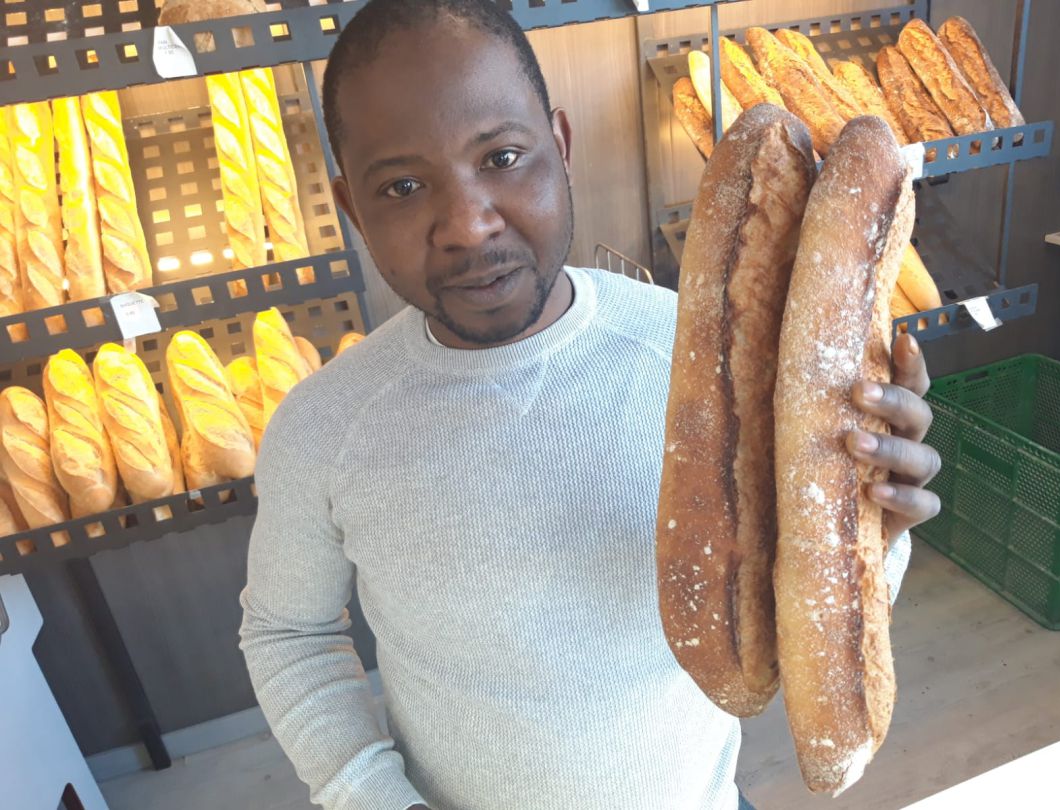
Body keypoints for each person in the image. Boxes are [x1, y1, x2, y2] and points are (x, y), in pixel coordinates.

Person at [239, 2, 942, 809]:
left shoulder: (689, 361)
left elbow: (797, 624)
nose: (468, 224)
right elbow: (288, 635)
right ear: (353, 209)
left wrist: (869, 524)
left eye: (503, 156)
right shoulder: (324, 427)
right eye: (402, 185)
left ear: (561, 150)